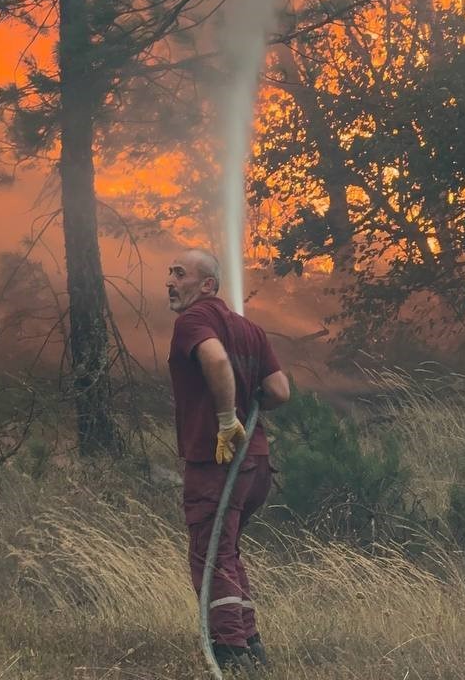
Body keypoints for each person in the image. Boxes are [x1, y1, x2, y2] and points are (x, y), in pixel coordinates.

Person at [167, 248, 290, 674]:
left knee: (209, 554)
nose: (169, 280)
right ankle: (251, 643)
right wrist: (245, 406)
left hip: (216, 460)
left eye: (179, 272)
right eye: (170, 272)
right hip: (255, 464)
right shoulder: (250, 329)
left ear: (207, 285)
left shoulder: (194, 321)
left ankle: (231, 652)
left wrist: (225, 421)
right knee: (228, 553)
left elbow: (215, 359)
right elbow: (278, 391)